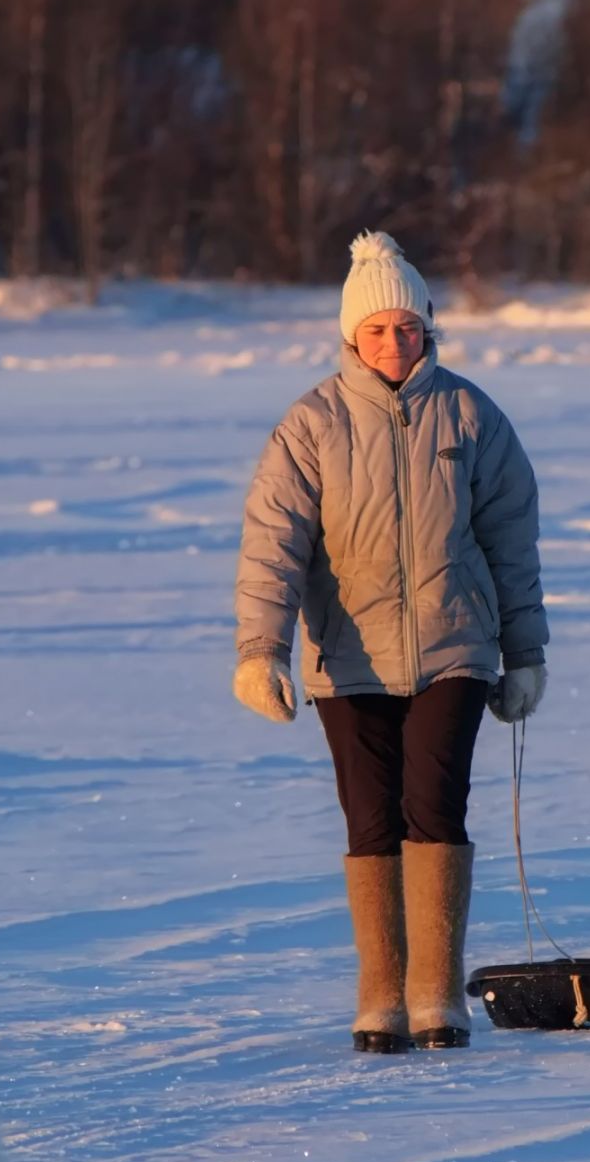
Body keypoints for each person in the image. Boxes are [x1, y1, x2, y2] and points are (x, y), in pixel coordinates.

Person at [233, 233, 549, 1054]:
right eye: (376, 330)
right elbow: (274, 543)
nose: (393, 344)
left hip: (456, 645)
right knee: (371, 817)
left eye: (407, 328)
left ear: (428, 329)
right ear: (350, 337)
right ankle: (382, 996)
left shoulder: (471, 415)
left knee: (434, 804)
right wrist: (259, 650)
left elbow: (512, 541)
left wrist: (526, 654)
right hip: (349, 656)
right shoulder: (312, 424)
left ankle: (438, 995)